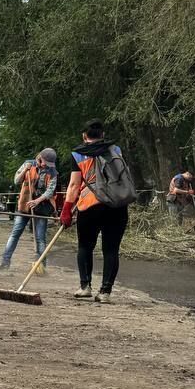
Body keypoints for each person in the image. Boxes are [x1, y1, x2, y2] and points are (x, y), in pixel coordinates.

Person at [60, 120, 130, 303]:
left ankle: (85, 287)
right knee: (111, 249)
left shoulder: (78, 154)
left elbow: (74, 185)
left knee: (85, 246)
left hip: (91, 205)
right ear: (103, 134)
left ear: (84, 136)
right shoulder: (116, 150)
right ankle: (105, 292)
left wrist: (67, 209)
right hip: (117, 204)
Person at [0, 148, 58, 272]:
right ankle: (5, 262)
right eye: (45, 162)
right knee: (15, 234)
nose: (46, 165)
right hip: (24, 206)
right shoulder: (27, 164)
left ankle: (41, 267)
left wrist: (37, 200)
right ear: (40, 158)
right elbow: (16, 181)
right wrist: (26, 170)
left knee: (40, 238)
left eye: (49, 164)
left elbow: (50, 191)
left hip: (41, 208)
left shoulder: (53, 172)